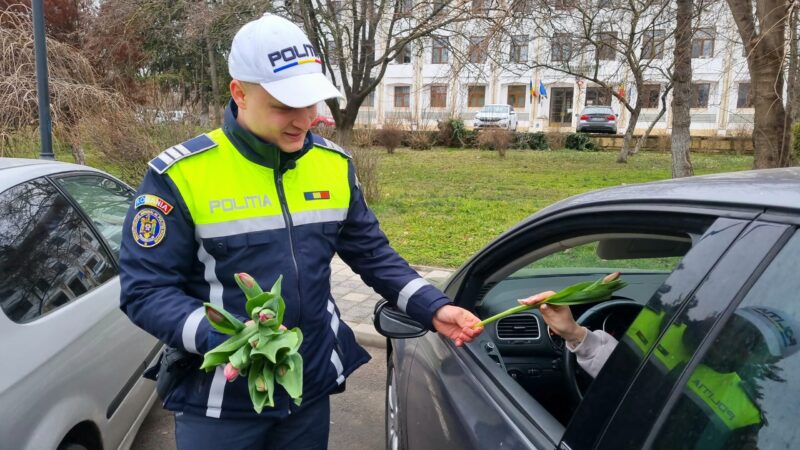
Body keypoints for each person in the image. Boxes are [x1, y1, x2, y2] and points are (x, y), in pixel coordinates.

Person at [119, 13, 483, 450]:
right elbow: (145, 290)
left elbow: (373, 254)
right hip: (219, 402)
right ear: (239, 93)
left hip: (306, 393)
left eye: (310, 103)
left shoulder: (334, 165)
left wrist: (433, 306)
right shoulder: (179, 174)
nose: (304, 120)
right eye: (284, 106)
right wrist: (227, 339)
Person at [520, 293, 799, 448]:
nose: (732, 339)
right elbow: (619, 370)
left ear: (756, 358)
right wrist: (574, 334)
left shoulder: (746, 413)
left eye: (749, 342)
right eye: (735, 326)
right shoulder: (660, 324)